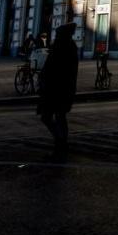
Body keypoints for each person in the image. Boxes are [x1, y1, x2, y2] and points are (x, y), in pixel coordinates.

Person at [37, 24, 79, 158]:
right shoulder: (69, 46)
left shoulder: (61, 46)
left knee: (49, 116)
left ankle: (60, 142)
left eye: (58, 33)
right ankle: (61, 142)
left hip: (55, 89)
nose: (56, 36)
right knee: (59, 116)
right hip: (63, 88)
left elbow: (51, 67)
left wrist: (43, 80)